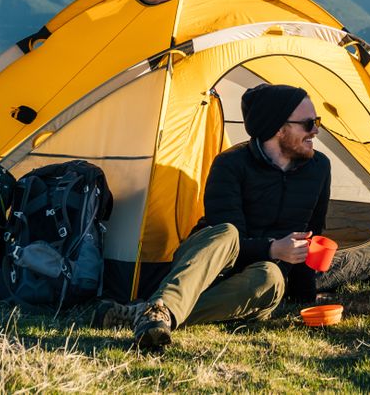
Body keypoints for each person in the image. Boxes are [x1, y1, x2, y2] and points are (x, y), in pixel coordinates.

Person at [92, 83, 331, 350]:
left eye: (317, 121)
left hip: (249, 283)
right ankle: (164, 307)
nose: (316, 130)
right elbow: (229, 242)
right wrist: (274, 248)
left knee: (271, 277)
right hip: (207, 264)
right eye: (309, 123)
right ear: (278, 128)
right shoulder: (231, 164)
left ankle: (153, 314)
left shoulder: (319, 167)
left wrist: (305, 296)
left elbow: (313, 233)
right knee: (227, 232)